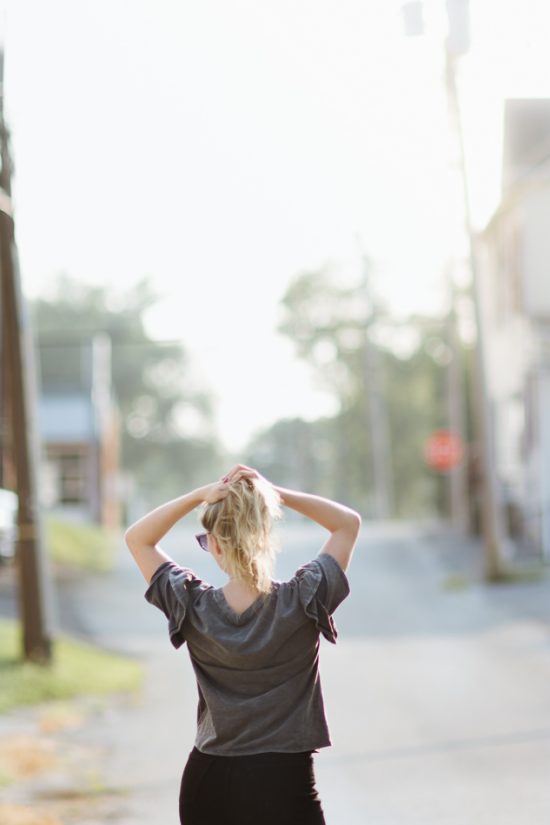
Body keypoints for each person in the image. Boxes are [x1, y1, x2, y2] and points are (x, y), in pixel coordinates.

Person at [125, 463, 361, 825]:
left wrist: (197, 497)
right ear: (265, 536)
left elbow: (138, 538)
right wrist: (273, 493)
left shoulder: (192, 607)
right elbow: (347, 523)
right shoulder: (305, 599)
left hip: (210, 781)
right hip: (286, 779)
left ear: (215, 545)